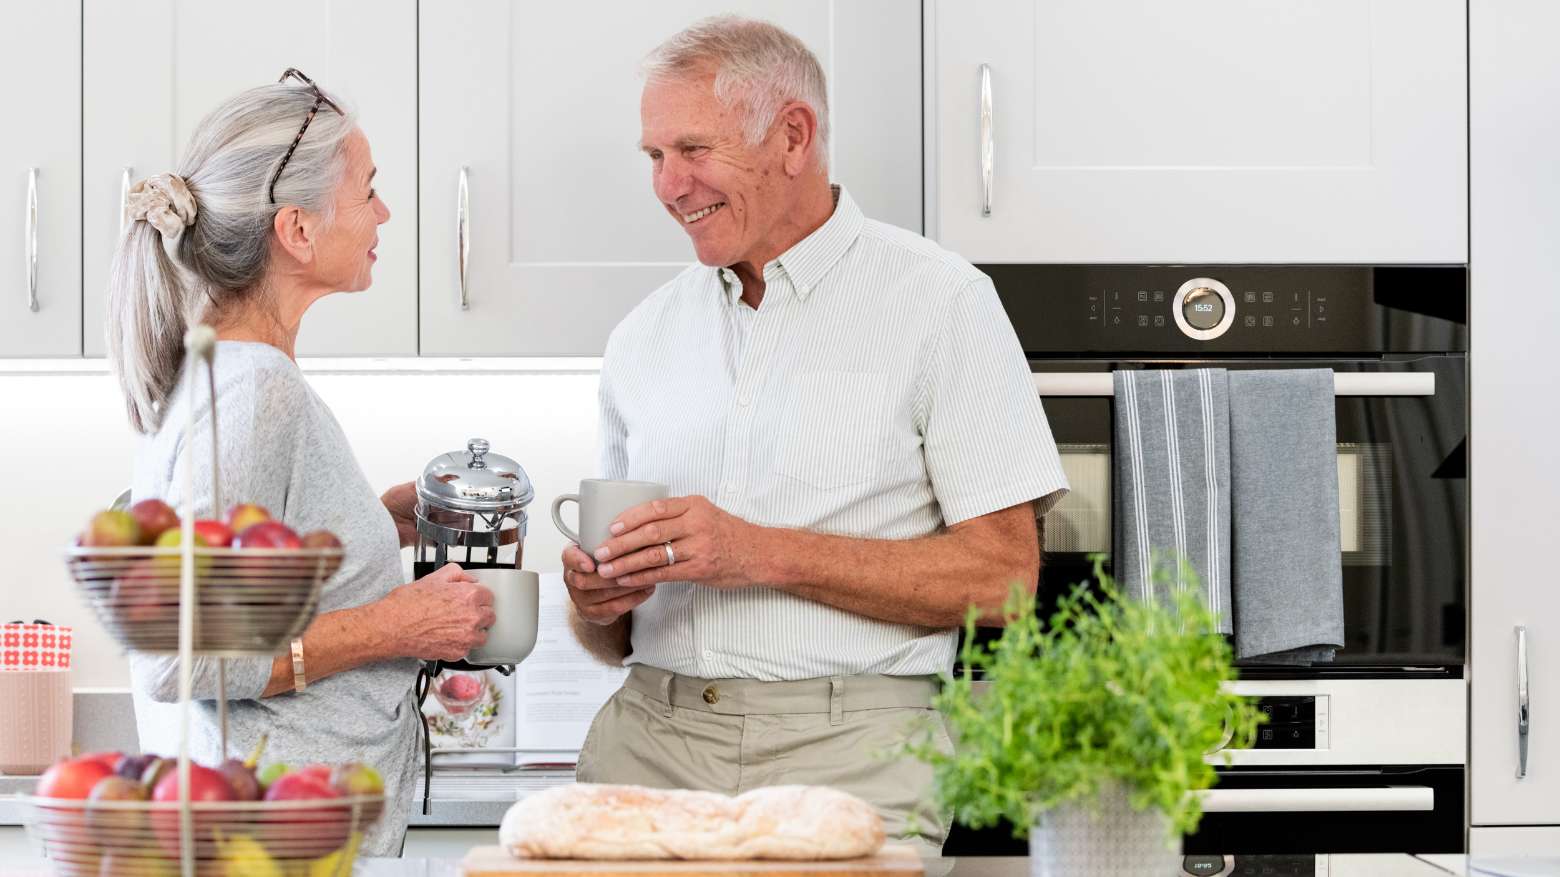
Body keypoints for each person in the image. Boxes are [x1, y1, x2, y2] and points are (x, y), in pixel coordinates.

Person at [560, 17, 1069, 853]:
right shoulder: (640, 338)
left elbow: (1004, 580)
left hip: (853, 752)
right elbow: (609, 634)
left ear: (793, 136)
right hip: (649, 740)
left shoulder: (941, 303)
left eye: (693, 149)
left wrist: (756, 552)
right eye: (654, 156)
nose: (669, 185)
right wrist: (598, 602)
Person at [108, 69, 494, 857]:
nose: (384, 211)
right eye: (368, 189)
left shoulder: (225, 375)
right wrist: (396, 624)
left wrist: (370, 525)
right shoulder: (253, 392)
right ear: (298, 229)